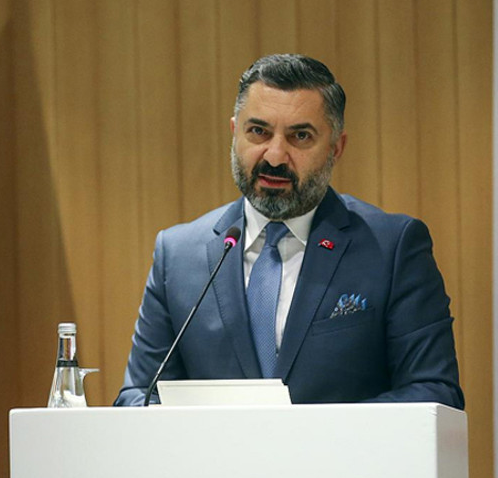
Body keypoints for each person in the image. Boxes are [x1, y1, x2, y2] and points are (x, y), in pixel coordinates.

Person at [114, 54, 464, 407]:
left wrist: (309, 433)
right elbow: (138, 396)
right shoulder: (177, 254)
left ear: (336, 148)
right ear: (235, 133)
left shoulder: (391, 248)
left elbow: (434, 390)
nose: (275, 156)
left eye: (300, 136)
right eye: (259, 132)